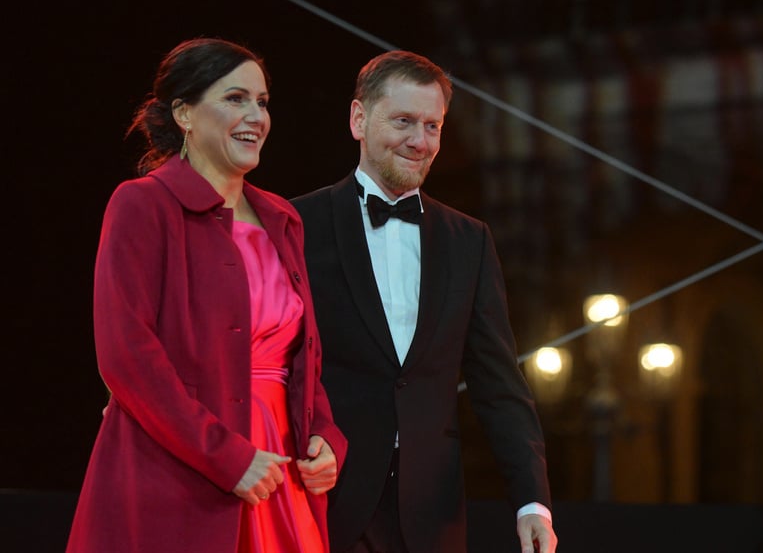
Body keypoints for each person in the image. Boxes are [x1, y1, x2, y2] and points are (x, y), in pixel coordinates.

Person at [66, 37, 347, 553]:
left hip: (280, 472)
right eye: (235, 98)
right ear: (184, 114)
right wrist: (228, 458)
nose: (256, 116)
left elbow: (302, 356)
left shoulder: (282, 218)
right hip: (181, 469)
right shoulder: (143, 205)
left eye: (262, 102)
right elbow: (127, 355)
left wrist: (325, 435)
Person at [291, 49, 557, 553]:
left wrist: (531, 502)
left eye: (432, 126)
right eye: (404, 121)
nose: (420, 141)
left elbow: (499, 383)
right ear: (358, 119)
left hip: (432, 510)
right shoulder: (296, 224)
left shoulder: (469, 240)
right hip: (325, 497)